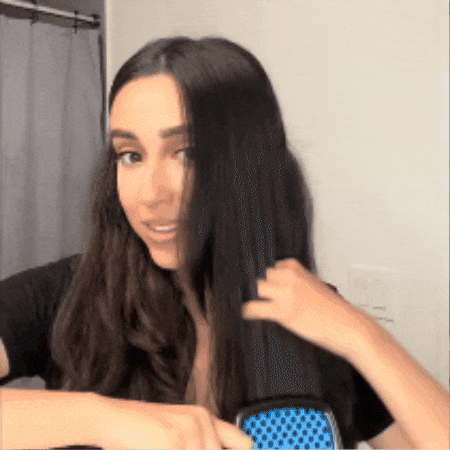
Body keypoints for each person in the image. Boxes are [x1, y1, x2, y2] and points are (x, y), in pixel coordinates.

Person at [0, 36, 448, 450]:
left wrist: (364, 337)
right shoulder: (67, 295)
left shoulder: (318, 319)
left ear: (249, 168)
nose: (151, 194)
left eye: (186, 153)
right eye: (131, 156)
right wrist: (103, 419)